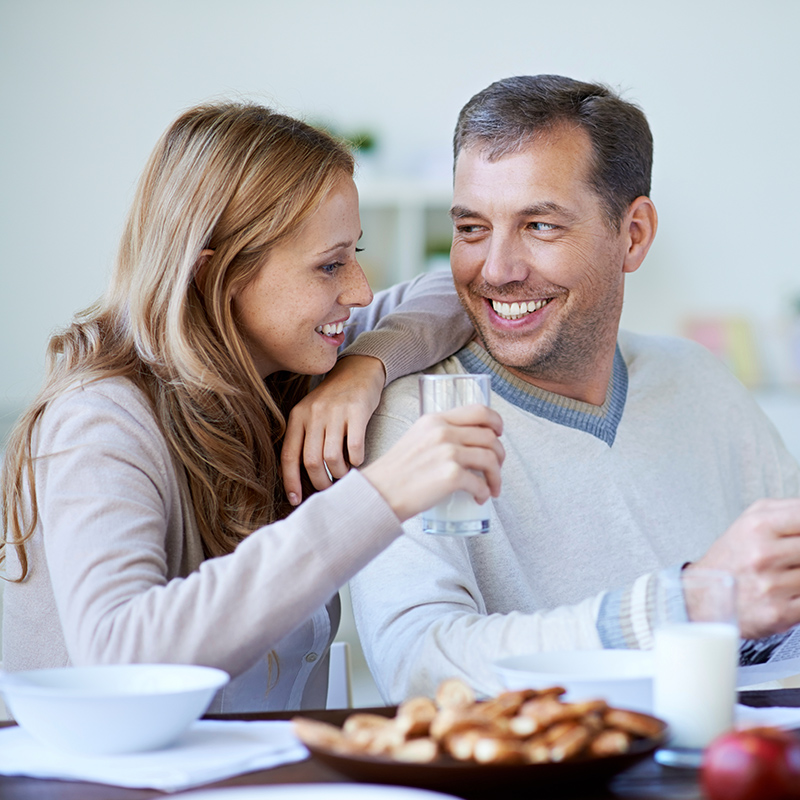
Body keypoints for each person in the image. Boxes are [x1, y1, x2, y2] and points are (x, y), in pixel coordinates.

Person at [0, 101, 505, 711]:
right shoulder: (100, 421)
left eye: (356, 255)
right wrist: (381, 496)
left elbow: (454, 292)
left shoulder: (297, 359)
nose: (359, 291)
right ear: (217, 276)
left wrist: (364, 369)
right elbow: (118, 652)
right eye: (329, 265)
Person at [343, 75, 800, 703]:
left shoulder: (701, 383)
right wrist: (685, 604)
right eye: (472, 228)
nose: (497, 270)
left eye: (540, 225)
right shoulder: (415, 417)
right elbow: (420, 662)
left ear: (633, 234)